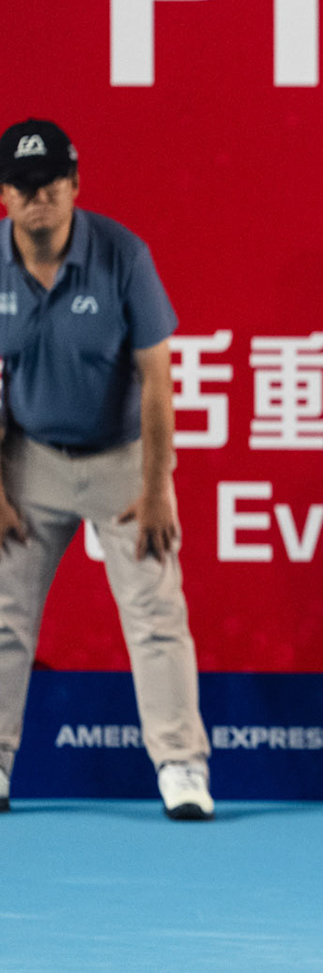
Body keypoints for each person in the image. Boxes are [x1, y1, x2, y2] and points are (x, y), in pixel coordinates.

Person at [0, 118, 213, 820]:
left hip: (123, 461)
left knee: (155, 612)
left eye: (52, 184)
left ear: (74, 185)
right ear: (5, 196)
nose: (40, 199)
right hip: (29, 458)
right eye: (25, 188)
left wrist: (157, 490)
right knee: (3, 617)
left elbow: (156, 379)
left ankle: (182, 765)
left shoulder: (123, 255)